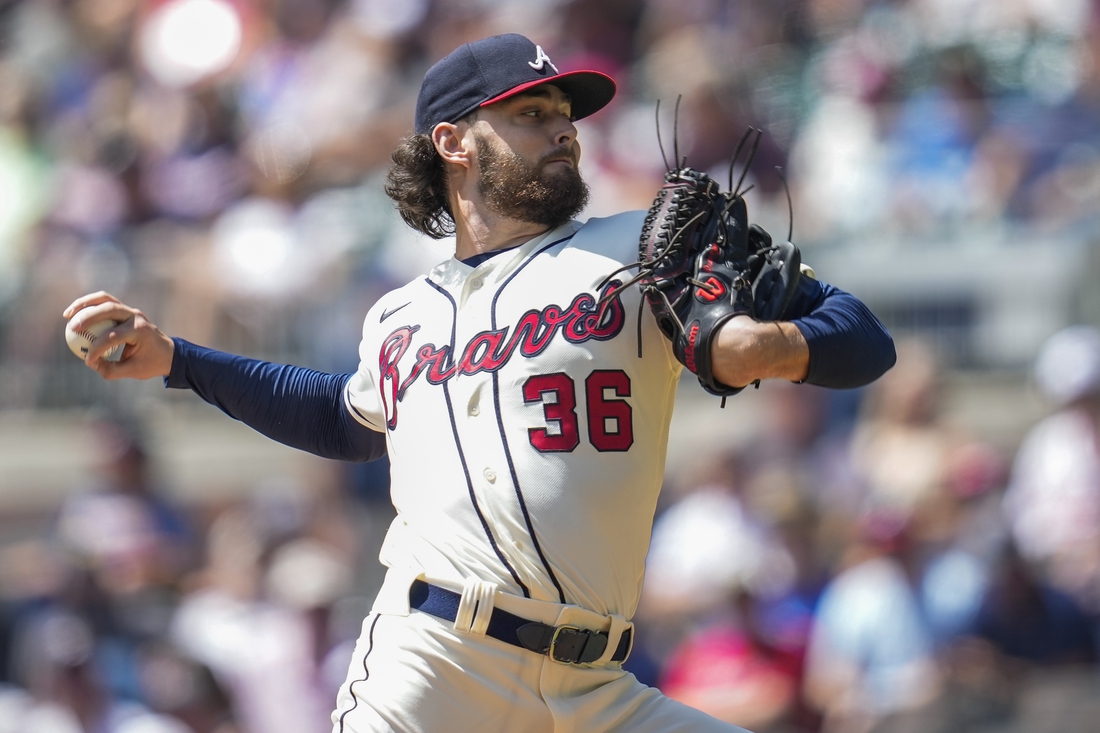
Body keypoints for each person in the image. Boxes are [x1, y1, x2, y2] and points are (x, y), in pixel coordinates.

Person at [64, 33, 895, 733]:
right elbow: (341, 417)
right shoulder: (399, 314)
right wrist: (179, 360)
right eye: (531, 114)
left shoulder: (646, 248)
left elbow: (865, 336)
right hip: (434, 659)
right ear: (454, 142)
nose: (562, 132)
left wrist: (770, 345)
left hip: (599, 686)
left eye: (565, 117)